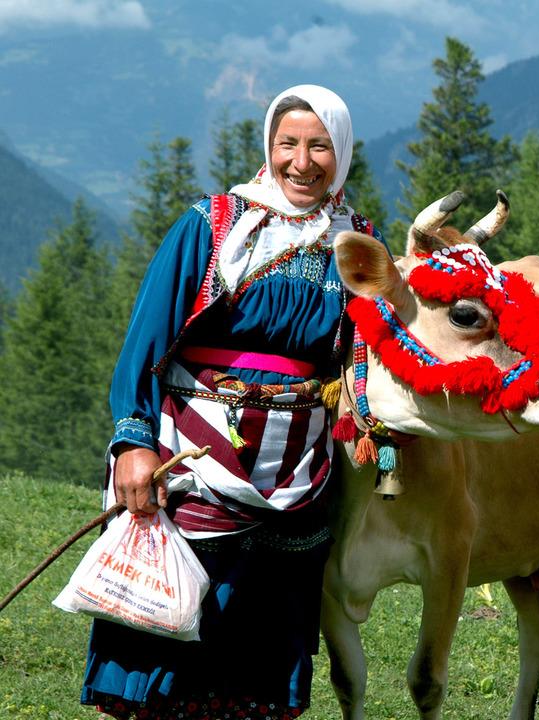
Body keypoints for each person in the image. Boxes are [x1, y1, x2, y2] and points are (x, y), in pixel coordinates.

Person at [81, 84, 385, 719]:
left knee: (266, 642)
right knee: (178, 613)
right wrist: (133, 441)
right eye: (288, 144)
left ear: (343, 152)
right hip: (191, 454)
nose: (302, 162)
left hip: (297, 470)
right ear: (269, 148)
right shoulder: (212, 224)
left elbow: (366, 356)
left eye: (320, 146)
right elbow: (147, 340)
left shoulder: (356, 242)